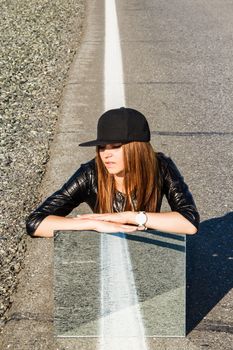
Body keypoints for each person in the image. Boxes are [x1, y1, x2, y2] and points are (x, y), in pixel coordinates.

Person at [26, 107, 200, 238]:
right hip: (103, 249)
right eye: (102, 147)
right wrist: (94, 224)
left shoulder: (161, 167)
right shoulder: (91, 174)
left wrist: (131, 217)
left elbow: (189, 222)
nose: (105, 154)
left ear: (137, 149)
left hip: (147, 248)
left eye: (115, 147)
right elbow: (35, 223)